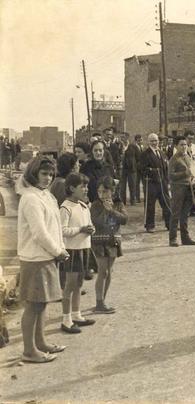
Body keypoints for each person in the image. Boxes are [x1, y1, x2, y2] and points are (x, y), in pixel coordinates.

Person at [16, 156, 69, 363]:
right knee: (33, 305)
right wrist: (58, 251)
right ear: (34, 173)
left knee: (42, 302)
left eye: (51, 174)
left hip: (47, 255)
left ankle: (41, 342)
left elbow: (55, 227)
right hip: (35, 257)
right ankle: (29, 350)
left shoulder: (46, 195)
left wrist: (60, 247)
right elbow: (39, 233)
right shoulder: (30, 198)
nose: (48, 178)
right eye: (44, 174)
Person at [59, 173, 96, 333]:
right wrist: (80, 230)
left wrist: (91, 229)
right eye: (83, 187)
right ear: (72, 188)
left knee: (79, 283)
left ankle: (76, 314)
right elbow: (62, 230)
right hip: (72, 250)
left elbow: (89, 224)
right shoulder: (65, 207)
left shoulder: (83, 205)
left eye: (87, 186)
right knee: (70, 285)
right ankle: (66, 319)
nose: (86, 189)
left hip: (83, 248)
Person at [91, 176, 128, 314]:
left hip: (113, 241)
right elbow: (96, 222)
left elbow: (124, 219)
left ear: (112, 191)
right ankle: (99, 303)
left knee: (110, 272)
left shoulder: (118, 204)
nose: (102, 195)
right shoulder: (95, 205)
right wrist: (106, 210)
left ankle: (102, 300)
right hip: (99, 241)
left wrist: (112, 210)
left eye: (105, 191)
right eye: (100, 192)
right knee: (103, 271)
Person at [168, 136, 195, 247]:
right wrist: (184, 173)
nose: (184, 146)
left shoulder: (188, 157)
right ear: (176, 146)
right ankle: (173, 239)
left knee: (185, 214)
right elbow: (170, 176)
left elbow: (192, 172)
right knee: (175, 214)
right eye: (181, 144)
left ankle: (185, 238)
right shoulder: (173, 159)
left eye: (185, 144)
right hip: (178, 189)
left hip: (188, 189)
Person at [139, 133, 171, 233]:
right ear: (148, 142)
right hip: (151, 184)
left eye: (156, 140)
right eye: (152, 141)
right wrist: (153, 171)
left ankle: (170, 224)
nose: (154, 143)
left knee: (167, 203)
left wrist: (167, 181)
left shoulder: (162, 153)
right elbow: (141, 169)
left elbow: (166, 168)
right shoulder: (145, 154)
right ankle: (149, 225)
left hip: (163, 183)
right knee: (150, 205)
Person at [121, 134, 138, 205]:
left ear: (128, 138)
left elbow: (138, 157)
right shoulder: (119, 146)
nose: (123, 139)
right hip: (122, 169)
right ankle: (122, 201)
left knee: (132, 185)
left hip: (132, 169)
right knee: (122, 186)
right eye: (121, 137)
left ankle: (132, 201)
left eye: (124, 137)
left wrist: (134, 165)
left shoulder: (133, 146)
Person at [133, 135, 144, 203]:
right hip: (137, 168)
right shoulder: (134, 147)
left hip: (142, 168)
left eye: (141, 140)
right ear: (136, 140)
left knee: (144, 182)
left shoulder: (142, 147)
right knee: (137, 183)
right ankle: (137, 197)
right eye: (138, 140)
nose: (140, 141)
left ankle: (144, 197)